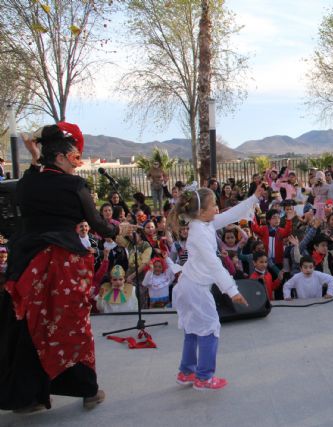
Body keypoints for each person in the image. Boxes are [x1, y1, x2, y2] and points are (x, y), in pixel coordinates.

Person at [0, 123, 137, 412]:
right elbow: (97, 223)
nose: (78, 163)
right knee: (71, 325)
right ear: (61, 158)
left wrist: (37, 156)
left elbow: (38, 175)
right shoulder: (74, 185)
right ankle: (86, 391)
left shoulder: (26, 182)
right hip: (60, 263)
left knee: (29, 326)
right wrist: (118, 230)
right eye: (75, 158)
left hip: (25, 263)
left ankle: (29, 398)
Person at [169, 183, 264, 390]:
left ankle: (186, 372)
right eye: (213, 206)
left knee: (193, 329)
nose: (217, 209)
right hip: (195, 288)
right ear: (202, 211)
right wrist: (232, 291)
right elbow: (214, 264)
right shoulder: (200, 233)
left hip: (189, 285)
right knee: (211, 329)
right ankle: (203, 377)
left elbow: (229, 215)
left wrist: (253, 198)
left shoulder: (203, 223)